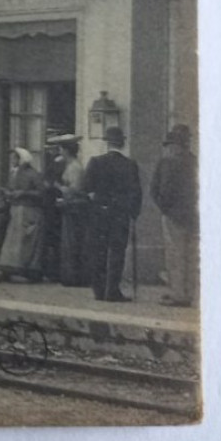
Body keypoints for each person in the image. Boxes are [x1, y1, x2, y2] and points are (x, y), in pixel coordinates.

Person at [85, 125, 144, 302]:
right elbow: (136, 193)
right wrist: (133, 213)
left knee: (99, 251)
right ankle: (112, 291)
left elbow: (87, 189)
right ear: (122, 143)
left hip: (100, 213)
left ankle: (99, 290)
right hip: (120, 215)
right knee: (117, 252)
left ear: (106, 143)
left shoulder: (95, 162)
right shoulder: (130, 165)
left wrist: (97, 204)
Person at [150, 125, 197, 307]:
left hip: (173, 216)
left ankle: (178, 294)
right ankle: (189, 293)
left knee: (175, 255)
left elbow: (158, 189)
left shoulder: (168, 162)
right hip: (192, 215)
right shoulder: (193, 161)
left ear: (172, 145)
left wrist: (164, 208)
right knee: (190, 255)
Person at [0, 147, 49, 282]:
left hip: (29, 211)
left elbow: (42, 192)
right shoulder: (14, 174)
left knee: (27, 243)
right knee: (12, 243)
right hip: (15, 210)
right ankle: (7, 270)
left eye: (15, 158)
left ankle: (30, 271)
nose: (12, 160)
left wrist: (24, 193)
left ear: (22, 159)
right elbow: (11, 189)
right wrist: (6, 193)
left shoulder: (33, 174)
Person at [46, 134, 91, 287]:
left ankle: (75, 277)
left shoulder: (75, 168)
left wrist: (59, 188)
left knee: (73, 243)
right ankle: (69, 275)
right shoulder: (70, 166)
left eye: (61, 149)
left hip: (75, 210)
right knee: (68, 243)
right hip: (69, 209)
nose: (59, 152)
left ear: (66, 151)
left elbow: (76, 190)